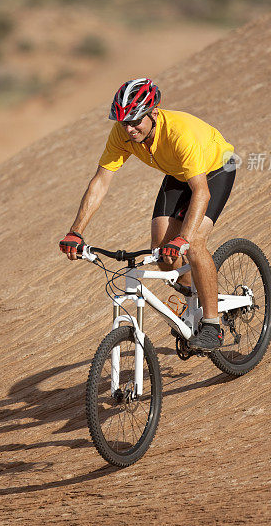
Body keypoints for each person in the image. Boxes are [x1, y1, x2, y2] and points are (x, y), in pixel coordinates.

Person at [59, 77, 236, 351]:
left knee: (193, 244)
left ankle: (213, 325)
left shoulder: (180, 134)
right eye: (123, 122)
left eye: (135, 121)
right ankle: (195, 299)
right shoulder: (122, 134)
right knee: (162, 255)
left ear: (154, 113)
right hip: (179, 171)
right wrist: (76, 231)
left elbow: (201, 193)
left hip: (215, 168)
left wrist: (184, 239)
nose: (129, 129)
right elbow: (101, 181)